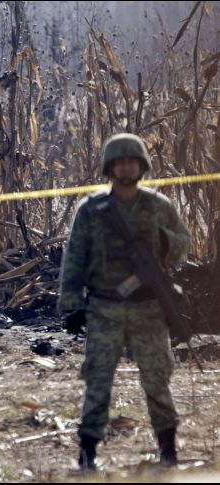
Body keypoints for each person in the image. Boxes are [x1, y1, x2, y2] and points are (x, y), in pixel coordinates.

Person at [58, 133, 191, 471]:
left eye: (133, 161)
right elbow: (74, 257)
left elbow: (182, 243)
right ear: (109, 167)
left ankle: (168, 451)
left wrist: (163, 242)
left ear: (142, 165)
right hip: (105, 307)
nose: (127, 166)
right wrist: (72, 304)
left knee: (157, 379)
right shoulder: (92, 209)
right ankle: (87, 455)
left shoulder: (157, 205)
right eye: (121, 161)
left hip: (149, 306)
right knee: (98, 380)